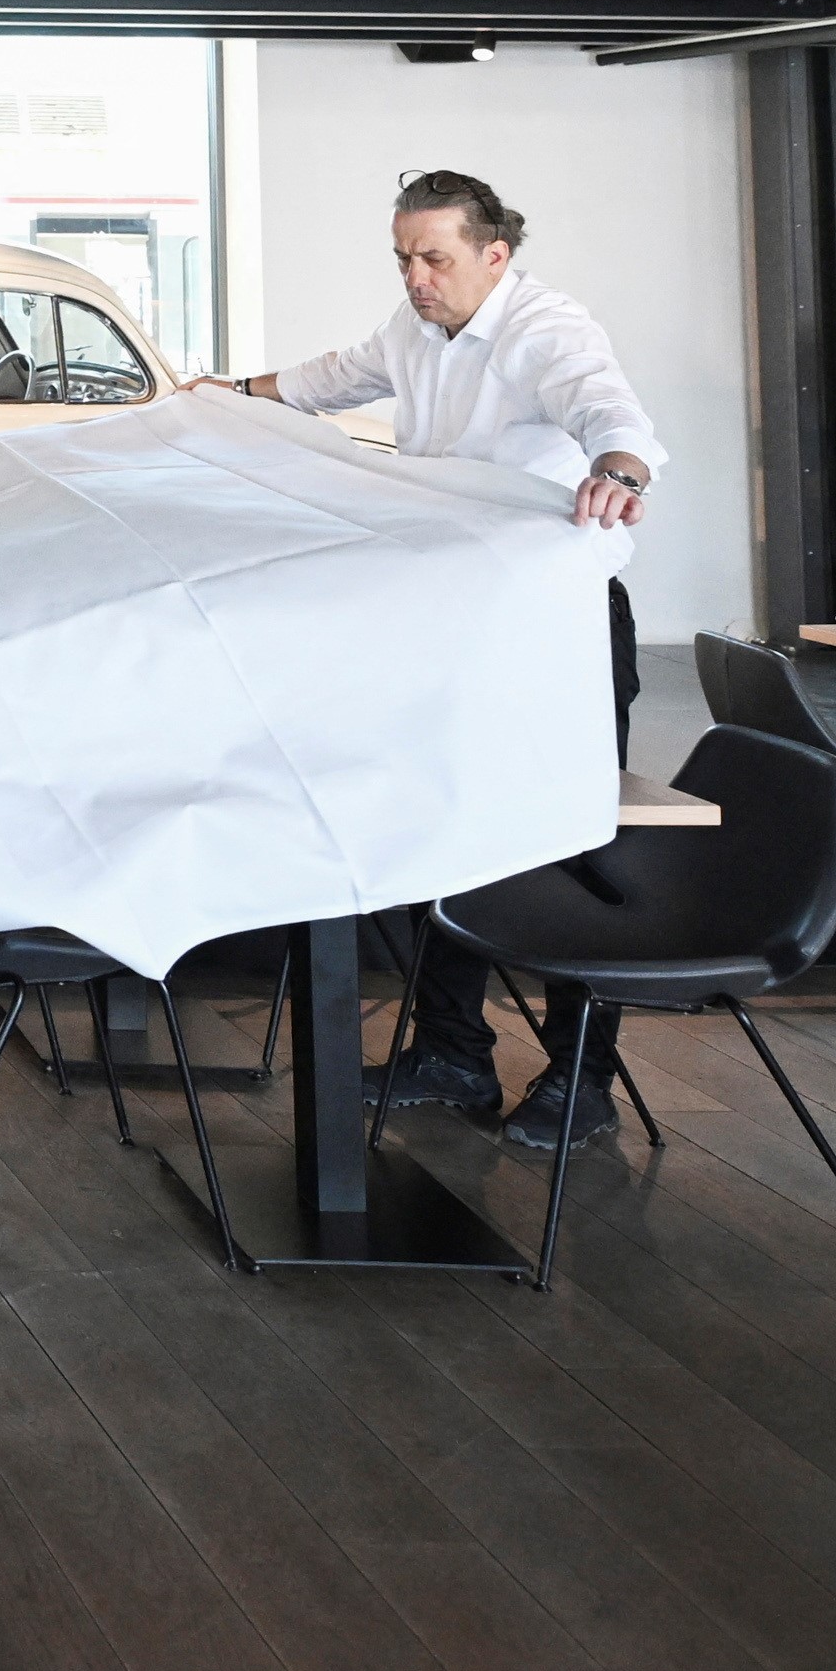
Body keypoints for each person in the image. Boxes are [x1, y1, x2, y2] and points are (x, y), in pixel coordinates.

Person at [222, 167, 661, 1152]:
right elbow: (329, 377)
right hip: (454, 617)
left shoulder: (548, 328)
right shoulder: (415, 325)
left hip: (560, 620)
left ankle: (582, 1078)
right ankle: (454, 1052)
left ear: (493, 254)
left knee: (576, 838)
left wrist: (619, 466)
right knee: (444, 818)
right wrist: (221, 397)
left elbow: (607, 409)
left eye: (434, 257)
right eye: (403, 257)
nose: (417, 276)